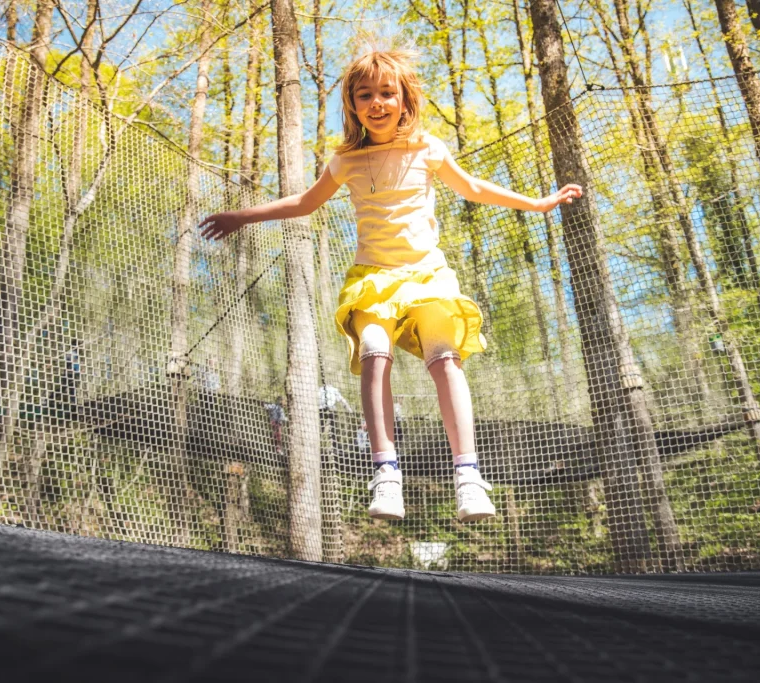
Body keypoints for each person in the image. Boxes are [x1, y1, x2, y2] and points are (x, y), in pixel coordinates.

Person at [200, 46, 581, 522]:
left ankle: (469, 476)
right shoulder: (346, 161)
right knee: (374, 351)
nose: (376, 102)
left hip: (426, 277)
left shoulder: (426, 148)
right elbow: (303, 202)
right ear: (352, 105)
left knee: (445, 360)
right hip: (373, 278)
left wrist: (540, 203)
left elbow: (475, 189)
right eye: (365, 95)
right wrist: (242, 216)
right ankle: (386, 472)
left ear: (404, 99)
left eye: (387, 93)